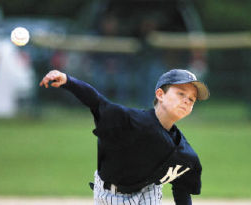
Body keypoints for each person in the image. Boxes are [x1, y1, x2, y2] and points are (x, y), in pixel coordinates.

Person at [39, 68, 210, 205]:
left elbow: (182, 186)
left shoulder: (184, 153)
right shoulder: (130, 121)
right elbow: (97, 102)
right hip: (113, 194)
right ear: (160, 94)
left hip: (148, 190)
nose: (187, 100)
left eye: (192, 99)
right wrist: (68, 81)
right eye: (181, 93)